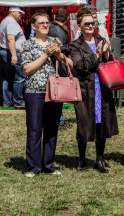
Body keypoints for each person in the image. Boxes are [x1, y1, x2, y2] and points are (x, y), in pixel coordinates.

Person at [21, 12, 73, 178]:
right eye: (41, 23)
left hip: (54, 91)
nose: (45, 25)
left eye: (47, 23)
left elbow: (70, 64)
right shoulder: (27, 44)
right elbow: (27, 69)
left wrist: (59, 55)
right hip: (34, 91)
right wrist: (46, 55)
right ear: (34, 26)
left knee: (51, 129)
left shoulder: (55, 42)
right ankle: (33, 167)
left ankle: (48, 165)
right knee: (35, 129)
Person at [70, 7, 118, 173]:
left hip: (101, 88)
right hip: (86, 89)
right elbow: (79, 66)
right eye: (87, 24)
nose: (91, 26)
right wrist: (97, 56)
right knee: (84, 123)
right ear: (80, 26)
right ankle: (82, 159)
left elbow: (111, 61)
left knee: (101, 123)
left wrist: (106, 55)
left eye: (93, 23)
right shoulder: (75, 45)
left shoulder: (101, 40)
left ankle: (99, 159)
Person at [47, 8, 72, 130]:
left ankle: (58, 121)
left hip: (50, 64)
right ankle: (59, 122)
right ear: (67, 19)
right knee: (58, 94)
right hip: (56, 65)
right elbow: (58, 49)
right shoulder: (59, 31)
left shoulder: (51, 27)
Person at [0, 7, 26, 108]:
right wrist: (14, 55)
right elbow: (11, 39)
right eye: (19, 13)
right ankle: (18, 101)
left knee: (7, 77)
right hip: (12, 52)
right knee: (19, 77)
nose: (20, 15)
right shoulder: (11, 22)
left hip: (5, 51)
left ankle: (7, 102)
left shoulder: (5, 21)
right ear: (12, 12)